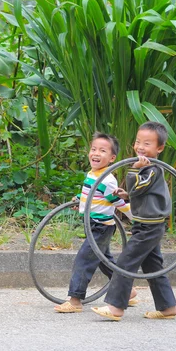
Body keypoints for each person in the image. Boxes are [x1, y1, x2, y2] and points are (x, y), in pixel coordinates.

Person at [92, 121, 176, 321]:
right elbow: (141, 192)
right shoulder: (147, 170)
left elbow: (139, 185)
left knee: (124, 263)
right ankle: (168, 307)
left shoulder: (153, 169)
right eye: (138, 142)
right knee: (153, 267)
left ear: (160, 148)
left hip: (149, 227)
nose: (140, 147)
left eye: (147, 144)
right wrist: (126, 194)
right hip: (147, 224)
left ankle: (115, 307)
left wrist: (134, 169)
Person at [54, 132, 138, 313]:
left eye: (102, 150)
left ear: (112, 158)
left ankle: (75, 300)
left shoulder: (107, 180)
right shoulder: (92, 174)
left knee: (83, 260)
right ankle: (127, 291)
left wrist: (136, 217)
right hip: (93, 224)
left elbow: (118, 203)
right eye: (93, 149)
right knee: (104, 261)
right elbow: (91, 195)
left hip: (101, 228)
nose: (96, 153)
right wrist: (80, 201)